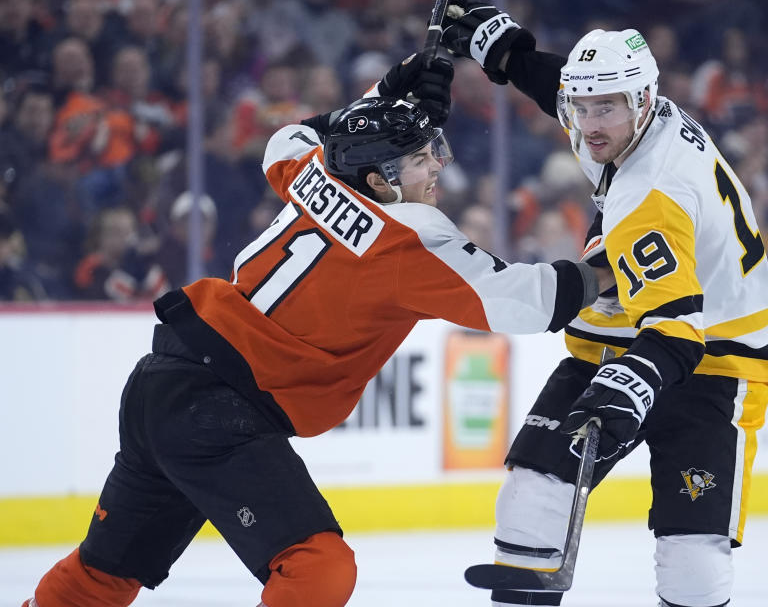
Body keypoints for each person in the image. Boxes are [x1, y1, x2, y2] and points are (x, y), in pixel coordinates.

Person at [21, 53, 612, 607]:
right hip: (219, 412)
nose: (438, 166)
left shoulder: (316, 174)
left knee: (103, 574)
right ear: (380, 180)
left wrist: (390, 90)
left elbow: (288, 138)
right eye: (420, 158)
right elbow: (535, 302)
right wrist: (621, 257)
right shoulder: (410, 237)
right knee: (318, 566)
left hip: (162, 387)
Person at [440, 0, 768, 607]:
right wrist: (510, 55)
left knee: (692, 553)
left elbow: (677, 332)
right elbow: (567, 93)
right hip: (632, 328)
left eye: (607, 107)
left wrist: (630, 386)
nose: (590, 124)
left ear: (642, 101)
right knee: (533, 492)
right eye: (584, 106)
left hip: (719, 355)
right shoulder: (632, 118)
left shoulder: (651, 192)